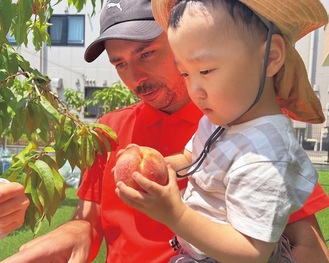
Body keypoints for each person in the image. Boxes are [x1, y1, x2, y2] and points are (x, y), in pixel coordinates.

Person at [2, 0, 329, 262]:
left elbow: (309, 248)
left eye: (147, 53)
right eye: (120, 64)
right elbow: (89, 218)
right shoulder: (109, 131)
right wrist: (74, 232)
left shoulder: (247, 130)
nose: (135, 78)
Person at [114, 0, 329, 262]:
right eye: (185, 74)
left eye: (205, 70)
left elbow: (251, 253)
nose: (195, 90)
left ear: (271, 57)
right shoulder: (222, 121)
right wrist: (155, 166)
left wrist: (175, 214)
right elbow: (192, 158)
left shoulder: (266, 154)